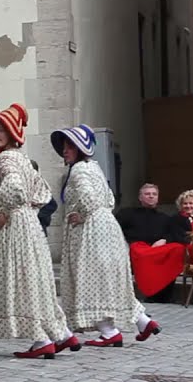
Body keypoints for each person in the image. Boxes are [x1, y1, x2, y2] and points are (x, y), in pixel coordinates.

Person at [0, 103, 76, 359]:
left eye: (1, 130)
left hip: (13, 224)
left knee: (16, 279)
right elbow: (43, 191)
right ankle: (56, 333)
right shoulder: (22, 157)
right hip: (29, 223)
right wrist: (24, 206)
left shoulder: (5, 157)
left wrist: (4, 207)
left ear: (12, 132)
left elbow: (15, 188)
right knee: (32, 278)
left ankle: (41, 338)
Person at [51, 125, 161, 348]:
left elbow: (89, 200)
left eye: (70, 146)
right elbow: (109, 199)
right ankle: (143, 321)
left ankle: (109, 331)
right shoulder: (95, 168)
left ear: (81, 148)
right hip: (108, 227)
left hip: (91, 232)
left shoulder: (80, 171)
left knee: (92, 279)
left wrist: (79, 215)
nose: (65, 150)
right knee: (111, 280)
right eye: (64, 146)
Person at [116, 183, 182, 302]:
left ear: (157, 197)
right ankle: (152, 292)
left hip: (158, 248)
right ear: (140, 197)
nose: (151, 196)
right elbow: (114, 228)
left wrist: (165, 240)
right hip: (138, 246)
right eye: (147, 194)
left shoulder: (165, 218)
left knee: (177, 249)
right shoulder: (127, 213)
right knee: (143, 255)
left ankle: (165, 293)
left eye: (154, 194)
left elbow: (174, 234)